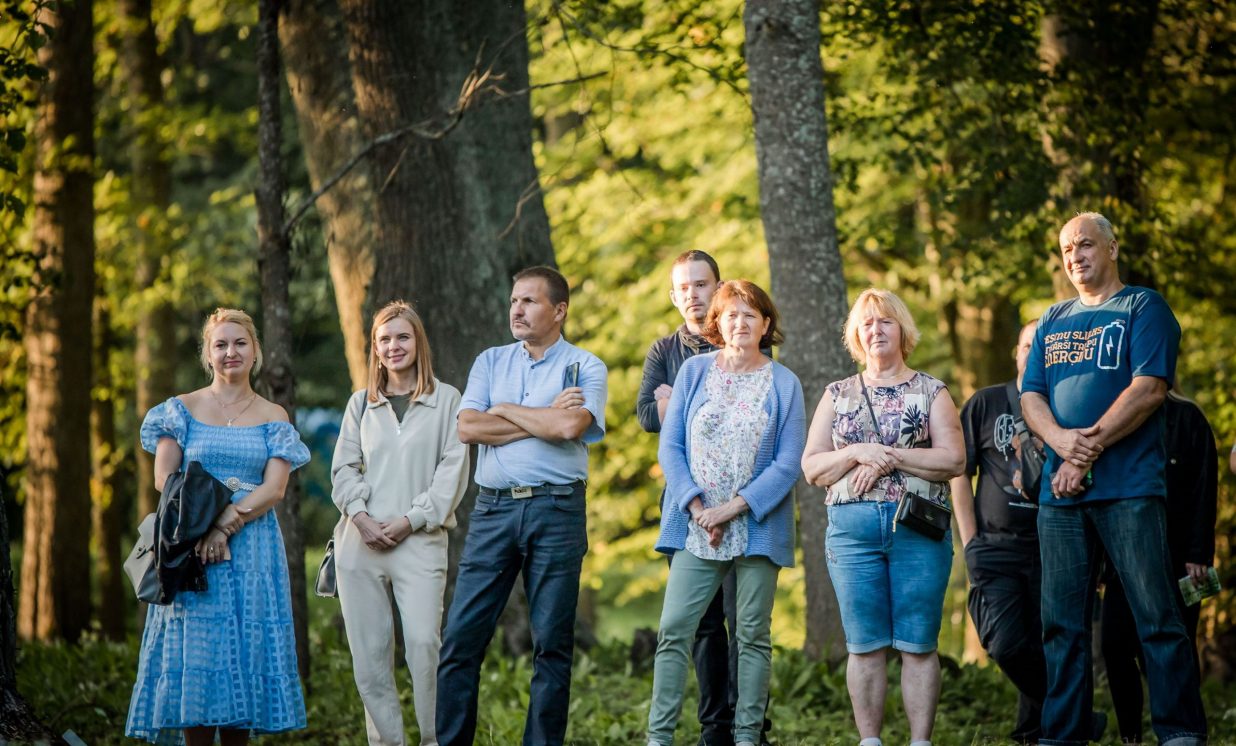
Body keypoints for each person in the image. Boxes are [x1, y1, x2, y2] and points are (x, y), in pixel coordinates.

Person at [1020, 211, 1207, 746]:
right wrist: (1061, 443)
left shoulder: (1143, 307)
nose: (1075, 256)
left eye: (1084, 244)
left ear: (1112, 248)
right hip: (1060, 497)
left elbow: (1149, 390)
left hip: (1129, 490)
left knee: (1157, 618)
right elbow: (1031, 396)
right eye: (1066, 250)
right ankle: (1064, 734)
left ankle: (1180, 731)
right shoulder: (1053, 318)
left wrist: (1084, 452)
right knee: (1061, 625)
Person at [435, 266, 607, 746]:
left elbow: (570, 428)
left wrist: (504, 409)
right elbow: (468, 428)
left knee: (551, 644)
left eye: (529, 301)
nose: (517, 309)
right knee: (460, 639)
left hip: (558, 511)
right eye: (514, 300)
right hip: (493, 513)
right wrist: (544, 416)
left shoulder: (586, 366)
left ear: (560, 310)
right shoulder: (490, 361)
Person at [126, 308, 310, 745]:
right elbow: (164, 479)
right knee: (199, 652)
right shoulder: (179, 410)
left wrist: (230, 521)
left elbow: (275, 488)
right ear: (207, 354)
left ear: (255, 351)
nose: (231, 352)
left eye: (240, 343)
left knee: (243, 656)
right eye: (221, 344)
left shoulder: (273, 415)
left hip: (253, 549)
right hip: (191, 546)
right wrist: (211, 520)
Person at [801, 288, 964, 746]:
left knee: (918, 644)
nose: (876, 330)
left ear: (903, 329)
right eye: (867, 323)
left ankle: (919, 742)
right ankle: (870, 741)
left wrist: (888, 456)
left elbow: (953, 459)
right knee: (864, 645)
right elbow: (812, 467)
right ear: (856, 334)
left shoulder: (931, 391)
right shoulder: (837, 394)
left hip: (918, 532)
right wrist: (857, 451)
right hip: (852, 538)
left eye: (885, 321)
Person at [646, 280, 805, 746]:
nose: (740, 323)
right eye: (731, 314)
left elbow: (788, 462)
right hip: (696, 526)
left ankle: (747, 737)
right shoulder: (693, 371)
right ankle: (658, 738)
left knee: (752, 635)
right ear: (717, 322)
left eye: (750, 314)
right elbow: (671, 446)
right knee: (674, 629)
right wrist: (699, 508)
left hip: (756, 524)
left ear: (766, 324)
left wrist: (732, 510)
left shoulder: (784, 382)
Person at [331, 301, 470, 746]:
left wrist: (412, 520)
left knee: (425, 646)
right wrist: (360, 516)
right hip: (361, 543)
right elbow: (344, 468)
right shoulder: (361, 404)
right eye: (384, 339)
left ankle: (433, 739)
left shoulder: (448, 400)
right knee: (369, 658)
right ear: (374, 348)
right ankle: (387, 742)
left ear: (418, 342)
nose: (394, 346)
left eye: (402, 337)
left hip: (419, 541)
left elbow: (452, 471)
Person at [951, 320, 1049, 744]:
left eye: (1042, 346)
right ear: (1016, 352)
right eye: (1027, 345)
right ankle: (1071, 712)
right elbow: (959, 472)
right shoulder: (986, 402)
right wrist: (970, 541)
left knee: (1046, 642)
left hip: (1052, 547)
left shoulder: (1067, 405)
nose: (1033, 352)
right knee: (1005, 643)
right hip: (994, 546)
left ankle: (1035, 731)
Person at [1100, 389, 1218, 743]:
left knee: (1176, 646)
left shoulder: (1188, 418)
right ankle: (1131, 736)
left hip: (1179, 558)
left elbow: (1204, 488)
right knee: (1115, 645)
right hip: (1122, 557)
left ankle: (1183, 730)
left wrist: (1199, 552)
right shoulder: (1109, 416)